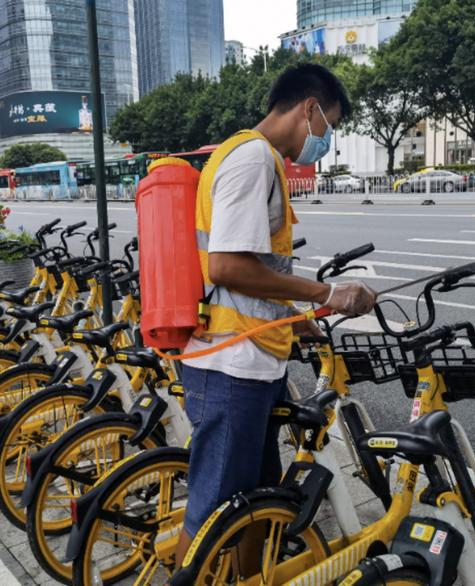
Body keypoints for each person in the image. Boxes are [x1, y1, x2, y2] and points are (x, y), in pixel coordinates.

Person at [174, 63, 377, 569]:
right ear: (309, 109)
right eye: (329, 125)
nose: (326, 139)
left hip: (252, 357)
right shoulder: (252, 159)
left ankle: (250, 576)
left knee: (252, 501)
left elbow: (253, 270)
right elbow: (227, 266)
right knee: (212, 513)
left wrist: (292, 317)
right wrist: (328, 293)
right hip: (230, 364)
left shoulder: (255, 157)